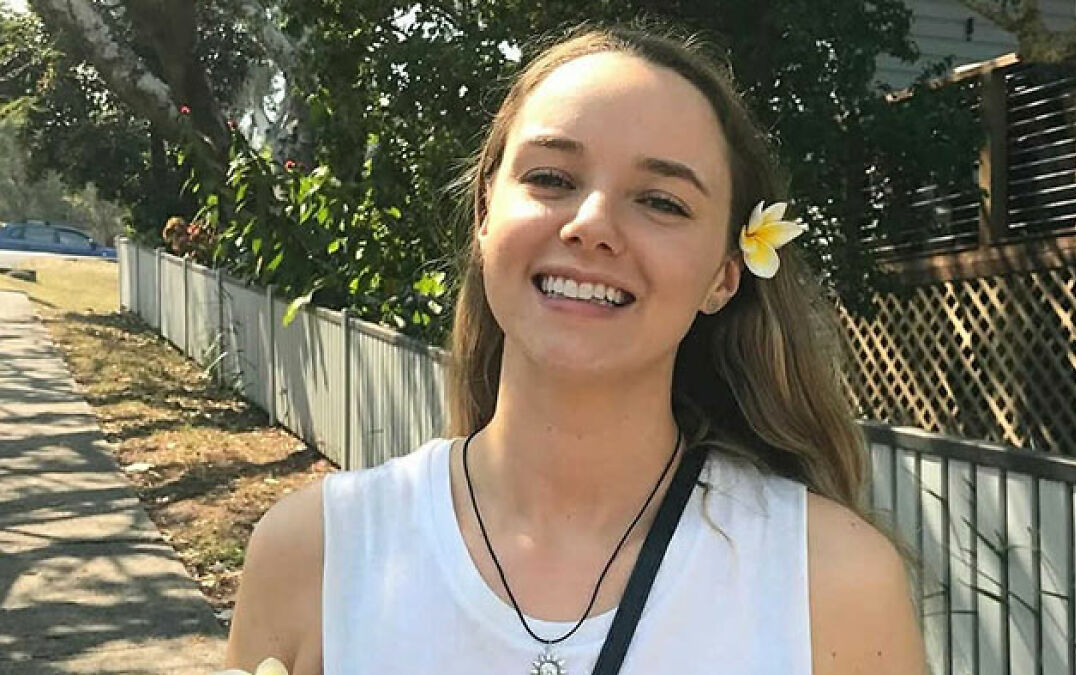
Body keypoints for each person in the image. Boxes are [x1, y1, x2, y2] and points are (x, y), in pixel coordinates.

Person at [222, 24, 925, 675]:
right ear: (484, 214)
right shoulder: (313, 555)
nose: (592, 225)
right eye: (552, 179)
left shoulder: (833, 583)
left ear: (722, 276)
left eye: (662, 201)